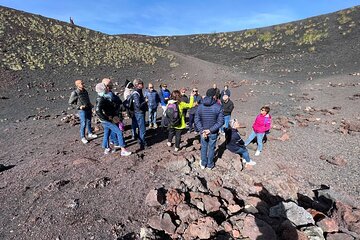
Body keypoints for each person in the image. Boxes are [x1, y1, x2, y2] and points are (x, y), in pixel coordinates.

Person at [95, 83, 131, 156]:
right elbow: (98, 110)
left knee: (107, 132)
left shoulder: (101, 98)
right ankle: (123, 150)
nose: (107, 89)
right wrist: (106, 118)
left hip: (106, 119)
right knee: (119, 132)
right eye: (105, 88)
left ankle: (106, 148)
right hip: (107, 120)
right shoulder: (101, 99)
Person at [195, 88, 224, 169]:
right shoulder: (218, 107)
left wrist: (202, 130)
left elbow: (197, 120)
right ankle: (210, 164)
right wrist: (210, 130)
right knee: (211, 148)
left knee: (204, 147)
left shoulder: (200, 106)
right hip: (213, 132)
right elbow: (221, 122)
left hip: (203, 131)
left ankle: (203, 163)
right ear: (214, 96)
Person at [68, 79, 97, 144]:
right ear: (77, 85)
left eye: (83, 83)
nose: (83, 84)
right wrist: (78, 107)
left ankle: (90, 133)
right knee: (83, 123)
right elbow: (70, 102)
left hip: (88, 108)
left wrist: (90, 104)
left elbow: (87, 99)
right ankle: (83, 137)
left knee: (89, 121)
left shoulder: (85, 91)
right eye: (81, 83)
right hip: (82, 110)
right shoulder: (75, 93)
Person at [131, 79, 148, 150]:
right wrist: (145, 101)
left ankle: (141, 141)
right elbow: (138, 105)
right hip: (139, 112)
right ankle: (143, 143)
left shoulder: (138, 92)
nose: (143, 85)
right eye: (141, 83)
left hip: (139, 112)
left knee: (141, 127)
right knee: (142, 128)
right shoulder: (136, 93)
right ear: (137, 85)